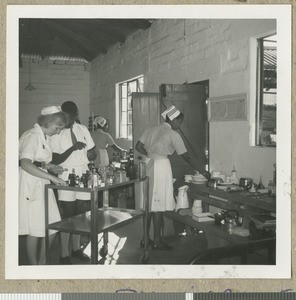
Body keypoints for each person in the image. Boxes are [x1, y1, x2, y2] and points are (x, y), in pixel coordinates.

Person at [135, 105, 211, 250]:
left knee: (148, 205)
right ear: (174, 120)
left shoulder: (151, 128)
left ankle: (145, 239)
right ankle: (157, 241)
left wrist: (151, 154)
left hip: (148, 165)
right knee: (158, 206)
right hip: (161, 167)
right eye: (179, 122)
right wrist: (203, 170)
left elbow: (138, 146)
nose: (179, 125)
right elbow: (186, 156)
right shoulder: (173, 134)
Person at [49, 101, 97, 264]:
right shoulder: (57, 132)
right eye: (65, 117)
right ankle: (64, 253)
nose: (68, 121)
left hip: (83, 174)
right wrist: (72, 148)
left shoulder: (82, 129)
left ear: (76, 114)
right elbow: (55, 159)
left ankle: (76, 249)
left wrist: (91, 154)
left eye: (71, 117)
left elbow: (93, 152)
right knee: (67, 216)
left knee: (81, 215)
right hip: (65, 176)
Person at [19, 106, 67, 265]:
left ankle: (42, 261)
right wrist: (52, 177)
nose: (58, 131)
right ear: (49, 122)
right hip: (31, 184)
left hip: (41, 183)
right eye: (57, 127)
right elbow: (25, 164)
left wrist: (51, 167)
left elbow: (38, 161)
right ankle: (35, 266)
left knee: (53, 224)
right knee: (35, 228)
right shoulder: (32, 136)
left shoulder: (44, 137)